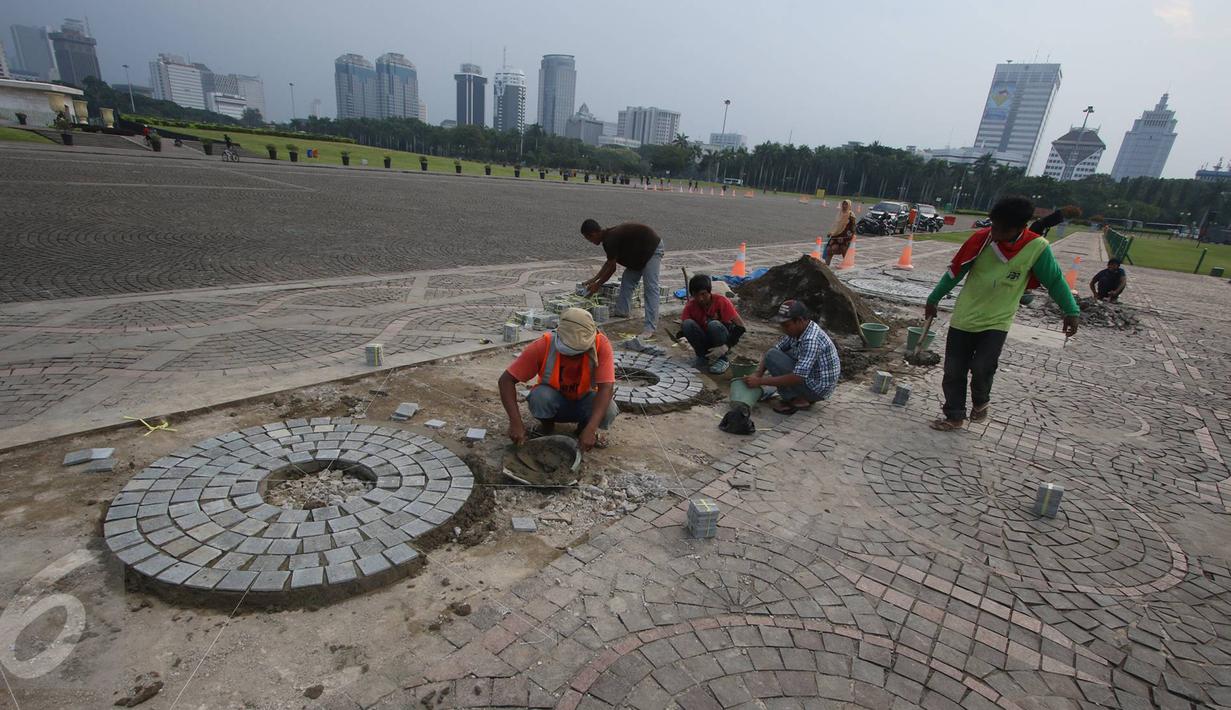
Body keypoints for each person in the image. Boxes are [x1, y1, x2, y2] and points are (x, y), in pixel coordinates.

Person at [924, 195, 1080, 431]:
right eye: (993, 225)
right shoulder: (980, 240)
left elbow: (1056, 280)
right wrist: (933, 298)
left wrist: (1070, 310)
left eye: (1001, 229)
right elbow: (955, 272)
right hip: (964, 316)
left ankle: (981, 400)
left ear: (1020, 228)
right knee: (953, 370)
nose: (994, 232)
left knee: (982, 366)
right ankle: (954, 415)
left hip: (997, 320)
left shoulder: (1036, 248)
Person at [498, 308, 617, 451]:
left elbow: (606, 388)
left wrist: (591, 429)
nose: (573, 357)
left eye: (578, 353)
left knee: (609, 408)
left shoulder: (601, 345)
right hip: (555, 402)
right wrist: (515, 422)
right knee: (540, 397)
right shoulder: (544, 345)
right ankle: (547, 426)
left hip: (585, 402)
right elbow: (505, 380)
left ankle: (583, 431)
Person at [743, 300, 841, 414]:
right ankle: (800, 396)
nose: (784, 329)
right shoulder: (799, 330)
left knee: (774, 358)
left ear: (799, 320)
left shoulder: (811, 340)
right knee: (773, 354)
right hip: (812, 380)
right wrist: (758, 373)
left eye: (786, 325)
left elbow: (797, 377)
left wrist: (760, 381)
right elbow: (775, 349)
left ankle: (796, 399)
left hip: (817, 390)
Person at [579, 219, 664, 341]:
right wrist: (594, 279)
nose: (591, 242)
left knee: (651, 288)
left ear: (593, 234)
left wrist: (597, 285)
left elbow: (612, 268)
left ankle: (650, 328)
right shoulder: (608, 238)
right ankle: (622, 311)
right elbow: (609, 263)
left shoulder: (610, 239)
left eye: (589, 239)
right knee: (627, 280)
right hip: (638, 255)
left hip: (652, 248)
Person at [680, 274, 746, 374]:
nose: (700, 299)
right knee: (687, 324)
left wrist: (726, 346)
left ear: (709, 291)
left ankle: (723, 359)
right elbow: (684, 328)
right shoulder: (691, 306)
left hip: (722, 339)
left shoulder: (721, 301)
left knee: (714, 324)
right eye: (696, 295)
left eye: (703, 294)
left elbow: (741, 327)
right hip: (705, 338)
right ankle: (702, 357)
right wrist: (683, 337)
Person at [824, 199, 856, 265]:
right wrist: (831, 232)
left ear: (849, 206)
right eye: (843, 204)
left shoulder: (851, 215)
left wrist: (846, 237)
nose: (844, 206)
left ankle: (847, 265)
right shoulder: (840, 213)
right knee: (829, 250)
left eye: (846, 204)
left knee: (844, 250)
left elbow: (852, 228)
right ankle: (826, 266)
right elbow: (836, 225)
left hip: (845, 236)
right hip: (835, 235)